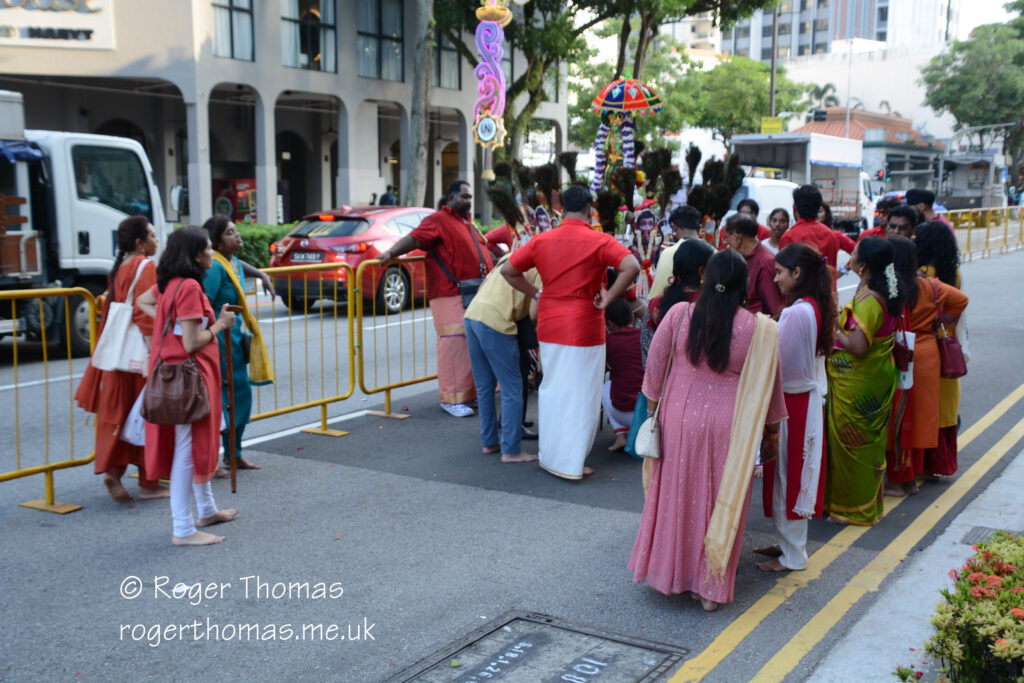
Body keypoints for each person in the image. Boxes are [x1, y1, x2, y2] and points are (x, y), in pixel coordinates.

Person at [628, 249, 786, 610]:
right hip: (732, 425)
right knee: (720, 500)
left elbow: (654, 372)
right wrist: (771, 432)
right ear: (743, 285)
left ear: (704, 277)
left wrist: (654, 411)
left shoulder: (680, 314)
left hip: (679, 417)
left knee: (676, 497)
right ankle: (708, 589)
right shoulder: (760, 329)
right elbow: (771, 386)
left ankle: (671, 575)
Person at [501, 184, 640, 480]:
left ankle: (551, 457)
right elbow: (632, 266)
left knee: (552, 391)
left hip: (550, 324)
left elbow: (508, 271)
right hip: (585, 326)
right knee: (581, 396)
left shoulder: (542, 240)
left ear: (562, 208)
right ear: (590, 209)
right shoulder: (599, 240)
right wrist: (610, 297)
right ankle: (572, 463)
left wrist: (537, 293)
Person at [136, 228, 238, 546]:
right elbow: (193, 341)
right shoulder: (190, 286)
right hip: (189, 377)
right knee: (187, 450)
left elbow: (145, 302)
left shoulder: (170, 283)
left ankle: (206, 510)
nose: (212, 252)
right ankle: (183, 528)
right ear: (196, 254)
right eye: (208, 248)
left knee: (193, 445)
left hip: (180, 374)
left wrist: (175, 328)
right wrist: (220, 325)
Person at [378, 179, 495, 417]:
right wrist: (391, 252)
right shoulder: (437, 220)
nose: (469, 201)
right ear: (450, 198)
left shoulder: (466, 223)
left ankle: (467, 395)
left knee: (470, 345)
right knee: (454, 344)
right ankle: (451, 398)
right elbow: (414, 239)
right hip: (448, 293)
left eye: (470, 197)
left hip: (470, 292)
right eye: (464, 197)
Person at [74, 216, 168, 503]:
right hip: (138, 357)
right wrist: (156, 357)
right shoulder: (145, 266)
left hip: (116, 357)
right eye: (152, 236)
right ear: (140, 243)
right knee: (145, 417)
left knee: (117, 416)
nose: (156, 240)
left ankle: (112, 472)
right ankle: (148, 483)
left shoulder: (119, 268)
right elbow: (144, 315)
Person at [756, 243, 835, 572]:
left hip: (793, 403)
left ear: (797, 273)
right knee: (789, 476)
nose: (775, 279)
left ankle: (793, 556)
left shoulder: (797, 312)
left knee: (787, 478)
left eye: (780, 272)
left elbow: (779, 365)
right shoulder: (813, 306)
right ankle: (787, 545)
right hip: (803, 400)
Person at [824, 237, 904, 526]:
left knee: (851, 443)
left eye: (854, 253)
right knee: (866, 443)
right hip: (875, 376)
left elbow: (857, 347)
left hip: (860, 383)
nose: (850, 257)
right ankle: (862, 503)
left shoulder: (870, 296)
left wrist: (833, 327)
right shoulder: (879, 288)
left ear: (864, 264)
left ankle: (852, 509)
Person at [884, 234, 968, 495]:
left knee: (898, 416)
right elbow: (961, 300)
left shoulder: (891, 285)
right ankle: (912, 475)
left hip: (901, 351)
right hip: (927, 351)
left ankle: (899, 478)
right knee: (919, 416)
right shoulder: (930, 284)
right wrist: (942, 321)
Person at [203, 215, 272, 477]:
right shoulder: (215, 268)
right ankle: (215, 461)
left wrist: (261, 272)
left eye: (236, 230)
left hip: (235, 341)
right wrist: (214, 330)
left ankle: (235, 454)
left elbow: (238, 264)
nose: (238, 235)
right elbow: (204, 303)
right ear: (218, 243)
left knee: (241, 395)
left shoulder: (230, 262)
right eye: (231, 232)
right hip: (219, 342)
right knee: (224, 401)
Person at [463, 253, 541, 464]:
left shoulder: (510, 256)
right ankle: (511, 450)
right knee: (513, 388)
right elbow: (535, 314)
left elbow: (483, 287)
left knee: (485, 387)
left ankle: (489, 442)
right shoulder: (542, 266)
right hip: (497, 322)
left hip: (472, 315)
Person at [915, 221, 968, 479]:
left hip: (924, 348)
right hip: (945, 346)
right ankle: (939, 466)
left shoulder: (921, 274)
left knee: (924, 405)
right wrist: (943, 323)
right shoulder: (953, 274)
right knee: (945, 406)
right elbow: (959, 305)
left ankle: (921, 465)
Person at [642, 239, 715, 366]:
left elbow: (647, 350)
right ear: (702, 271)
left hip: (665, 379)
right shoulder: (715, 305)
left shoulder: (656, 304)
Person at [722, 213, 784, 318]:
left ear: (738, 235)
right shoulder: (742, 257)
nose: (727, 244)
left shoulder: (765, 263)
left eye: (727, 238)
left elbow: (775, 309)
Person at [602, 298, 644, 452]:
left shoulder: (609, 342)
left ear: (610, 324)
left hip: (623, 411)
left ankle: (621, 436)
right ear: (632, 318)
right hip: (650, 413)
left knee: (605, 387)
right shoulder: (645, 336)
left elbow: (603, 368)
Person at [779, 185, 841, 269]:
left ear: (795, 207)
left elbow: (783, 274)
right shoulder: (831, 235)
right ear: (818, 207)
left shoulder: (789, 237)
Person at [649, 205, 702, 299]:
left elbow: (655, 297)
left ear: (674, 227)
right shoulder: (715, 253)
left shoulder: (668, 253)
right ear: (699, 228)